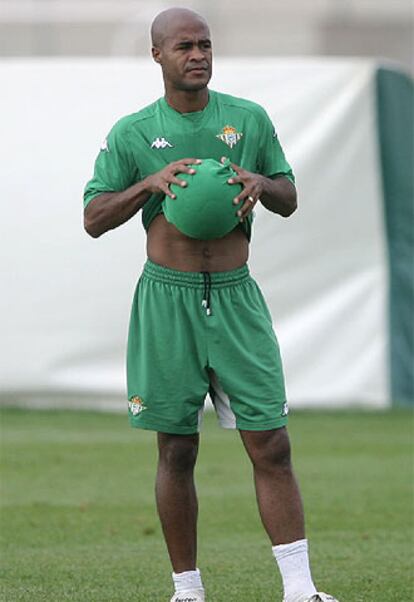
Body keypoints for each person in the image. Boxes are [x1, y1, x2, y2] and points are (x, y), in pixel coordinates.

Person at [83, 8, 339, 602]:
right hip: (165, 299)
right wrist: (149, 183)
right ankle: (187, 591)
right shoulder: (133, 132)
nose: (197, 55)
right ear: (158, 57)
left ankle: (300, 590)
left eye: (204, 45)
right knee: (176, 446)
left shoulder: (247, 119)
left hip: (235, 296)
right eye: (183, 47)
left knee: (271, 441)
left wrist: (258, 181)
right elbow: (93, 218)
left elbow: (289, 196)